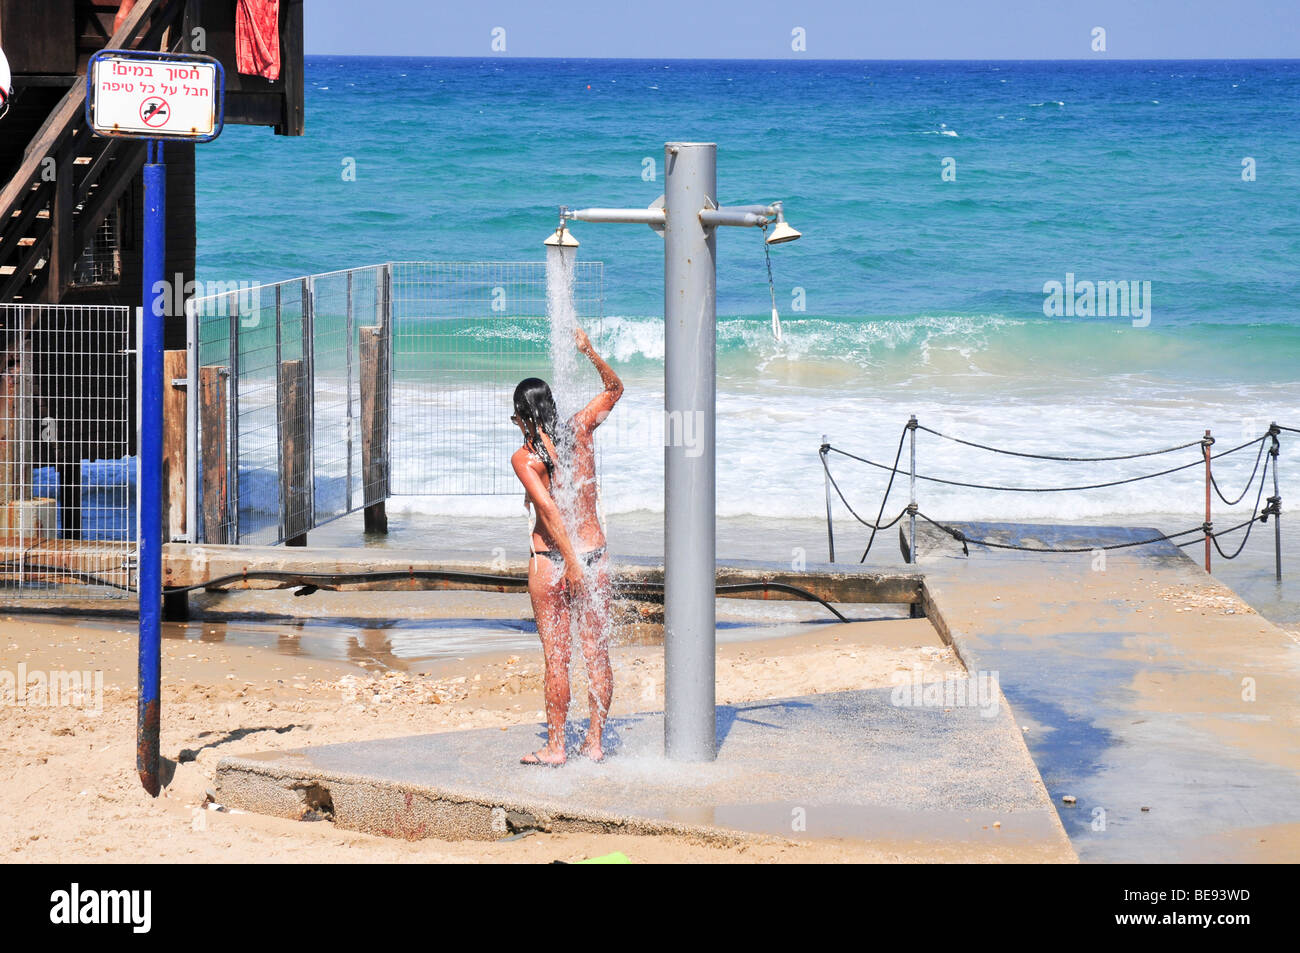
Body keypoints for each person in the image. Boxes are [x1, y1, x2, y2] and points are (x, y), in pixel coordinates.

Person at [511, 326, 623, 765]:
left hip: (554, 564)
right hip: (594, 559)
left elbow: (550, 513)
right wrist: (590, 351)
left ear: (525, 415)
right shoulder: (581, 428)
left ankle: (557, 746)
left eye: (516, 418)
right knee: (597, 652)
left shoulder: (526, 457)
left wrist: (570, 564)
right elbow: (615, 388)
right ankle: (593, 743)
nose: (516, 426)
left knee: (557, 658)